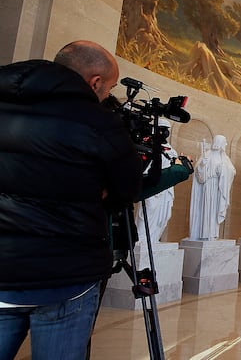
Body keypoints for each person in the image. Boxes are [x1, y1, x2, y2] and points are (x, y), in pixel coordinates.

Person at [0, 41, 142, 359]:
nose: (108, 96)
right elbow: (126, 190)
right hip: (64, 275)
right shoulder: (99, 121)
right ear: (95, 82)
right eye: (109, 88)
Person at [135, 118, 179, 248]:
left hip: (166, 188)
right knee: (148, 212)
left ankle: (154, 239)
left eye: (167, 130)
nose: (165, 133)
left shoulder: (171, 150)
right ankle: (141, 240)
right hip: (152, 186)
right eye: (163, 130)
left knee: (164, 214)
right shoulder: (148, 147)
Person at [189, 135, 236, 240]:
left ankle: (213, 234)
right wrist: (202, 165)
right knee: (207, 209)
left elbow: (232, 171)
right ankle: (205, 234)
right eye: (225, 142)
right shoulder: (206, 155)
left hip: (218, 187)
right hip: (208, 186)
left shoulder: (224, 157)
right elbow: (199, 175)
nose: (226, 144)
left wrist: (223, 170)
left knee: (215, 210)